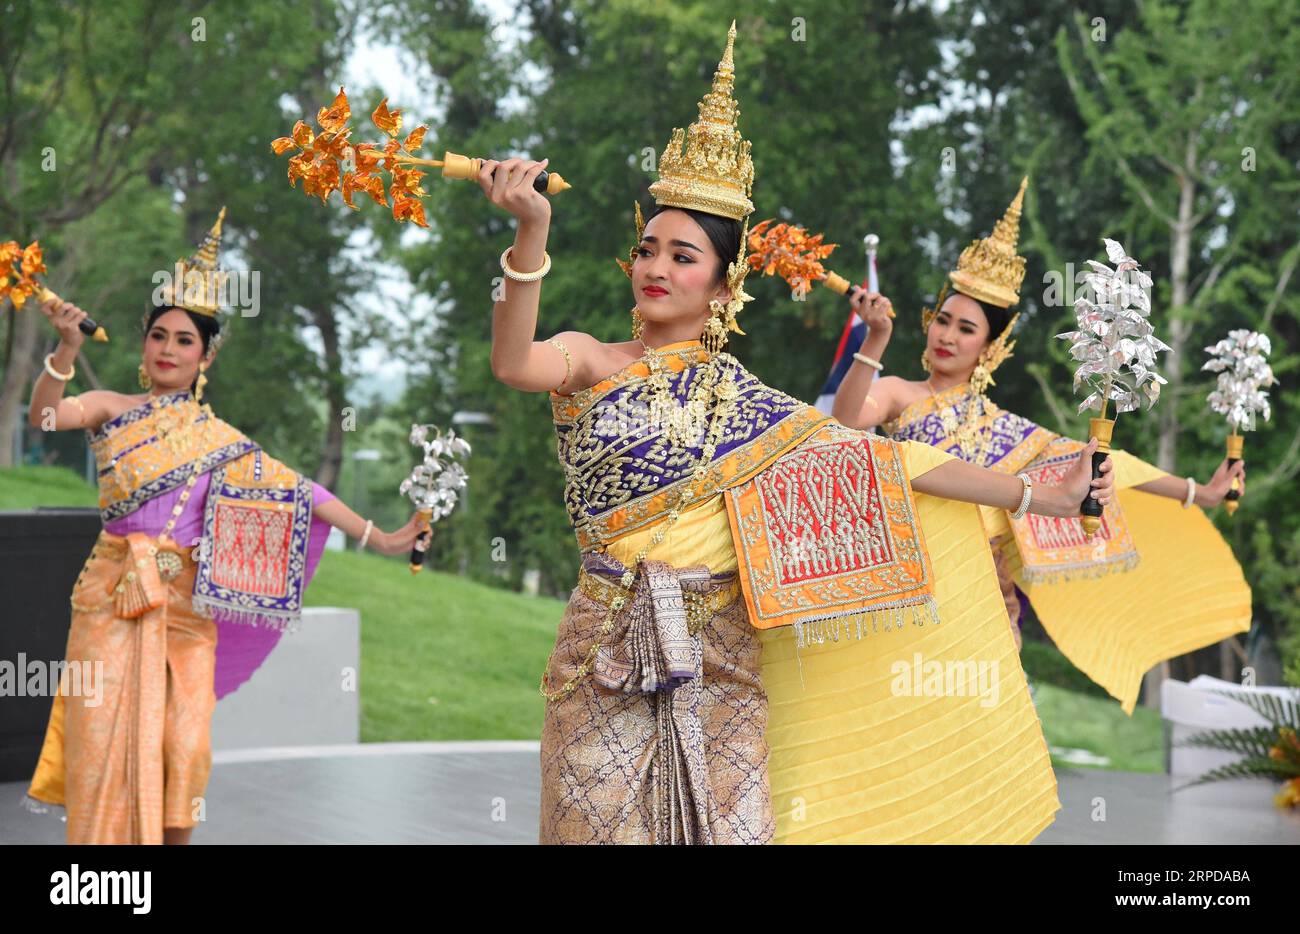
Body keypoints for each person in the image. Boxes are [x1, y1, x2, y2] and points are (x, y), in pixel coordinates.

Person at [479, 24, 1117, 844]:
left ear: (724, 284)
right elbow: (513, 362)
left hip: (723, 660)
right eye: (646, 249)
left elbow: (895, 464)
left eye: (683, 256)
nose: (656, 268)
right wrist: (531, 231)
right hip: (605, 649)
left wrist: (1043, 494)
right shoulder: (594, 361)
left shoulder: (755, 407)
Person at [23, 208, 428, 843]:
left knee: (184, 751)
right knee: (101, 745)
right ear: (144, 344)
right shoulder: (109, 409)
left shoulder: (223, 443)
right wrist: (66, 349)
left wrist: (381, 537)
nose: (168, 349)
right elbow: (44, 419)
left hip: (186, 611)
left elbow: (305, 492)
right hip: (111, 600)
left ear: (206, 354)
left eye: (184, 341)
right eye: (159, 336)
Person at [832, 178, 1251, 713]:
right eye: (942, 321)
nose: (947, 336)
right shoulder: (896, 393)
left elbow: (1112, 466)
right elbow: (843, 423)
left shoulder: (1008, 430)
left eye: (966, 329)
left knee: (984, 734)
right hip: (910, 590)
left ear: (991, 348)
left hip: (983, 603)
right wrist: (875, 339)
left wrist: (1200, 492)